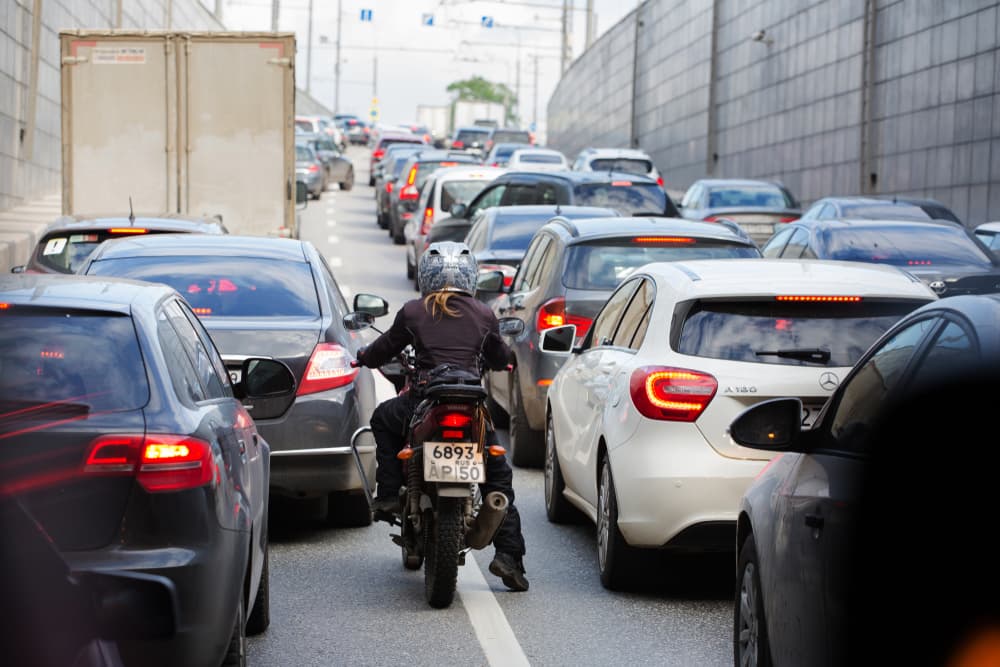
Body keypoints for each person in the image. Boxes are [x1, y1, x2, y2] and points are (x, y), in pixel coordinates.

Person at [354, 241, 529, 592]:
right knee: (497, 476)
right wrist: (504, 359)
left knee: (382, 419)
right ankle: (508, 557)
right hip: (472, 407)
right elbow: (499, 357)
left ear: (426, 276)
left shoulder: (413, 312)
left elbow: (382, 349)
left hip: (425, 401)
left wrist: (363, 355)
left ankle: (388, 492)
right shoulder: (483, 313)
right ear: (470, 276)